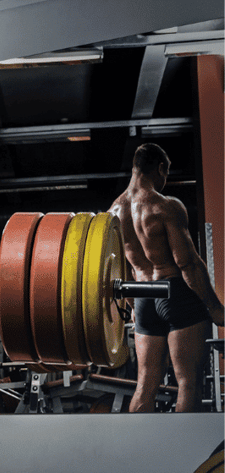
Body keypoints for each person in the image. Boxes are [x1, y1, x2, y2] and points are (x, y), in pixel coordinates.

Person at [108, 143, 223, 412]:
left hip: (143, 297)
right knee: (188, 382)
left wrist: (132, 305)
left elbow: (116, 268)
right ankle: (187, 455)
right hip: (174, 291)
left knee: (145, 383)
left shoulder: (113, 212)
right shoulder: (165, 206)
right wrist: (214, 307)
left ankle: (138, 451)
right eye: (166, 173)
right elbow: (188, 263)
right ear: (160, 168)